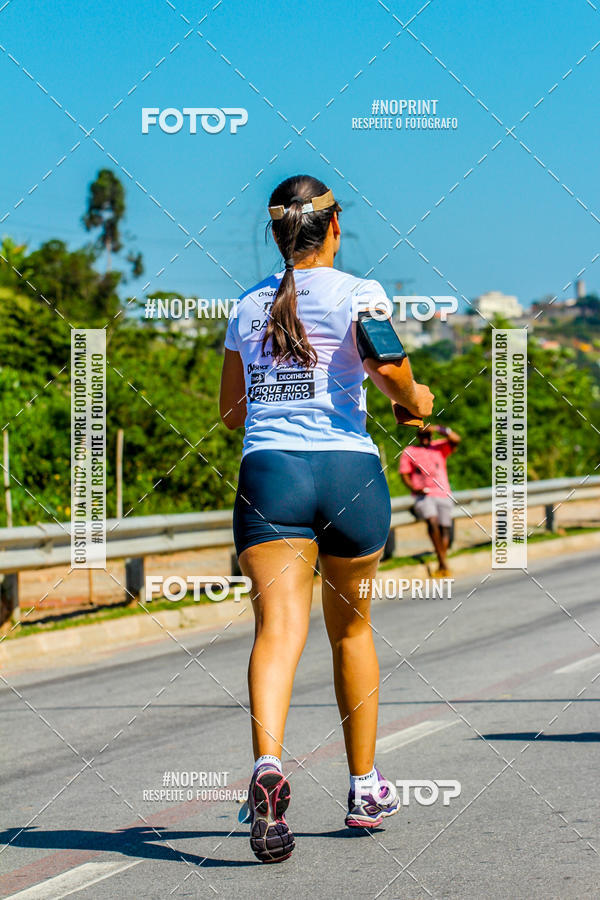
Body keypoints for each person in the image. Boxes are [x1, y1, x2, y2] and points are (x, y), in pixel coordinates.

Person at [219, 174, 433, 863]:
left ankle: (267, 767)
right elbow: (392, 369)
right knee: (352, 631)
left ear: (277, 233)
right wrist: (416, 401)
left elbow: (231, 412)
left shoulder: (248, 307)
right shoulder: (358, 293)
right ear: (334, 227)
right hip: (347, 475)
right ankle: (364, 788)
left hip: (270, 474)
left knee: (278, 630)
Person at [398, 424, 461, 577]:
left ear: (431, 436)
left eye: (428, 436)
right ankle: (443, 563)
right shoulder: (410, 451)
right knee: (432, 522)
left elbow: (456, 439)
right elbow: (404, 473)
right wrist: (413, 487)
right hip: (424, 495)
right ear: (418, 437)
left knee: (445, 528)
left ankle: (442, 563)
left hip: (443, 493)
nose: (425, 439)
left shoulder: (439, 447)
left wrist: (436, 428)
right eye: (422, 436)